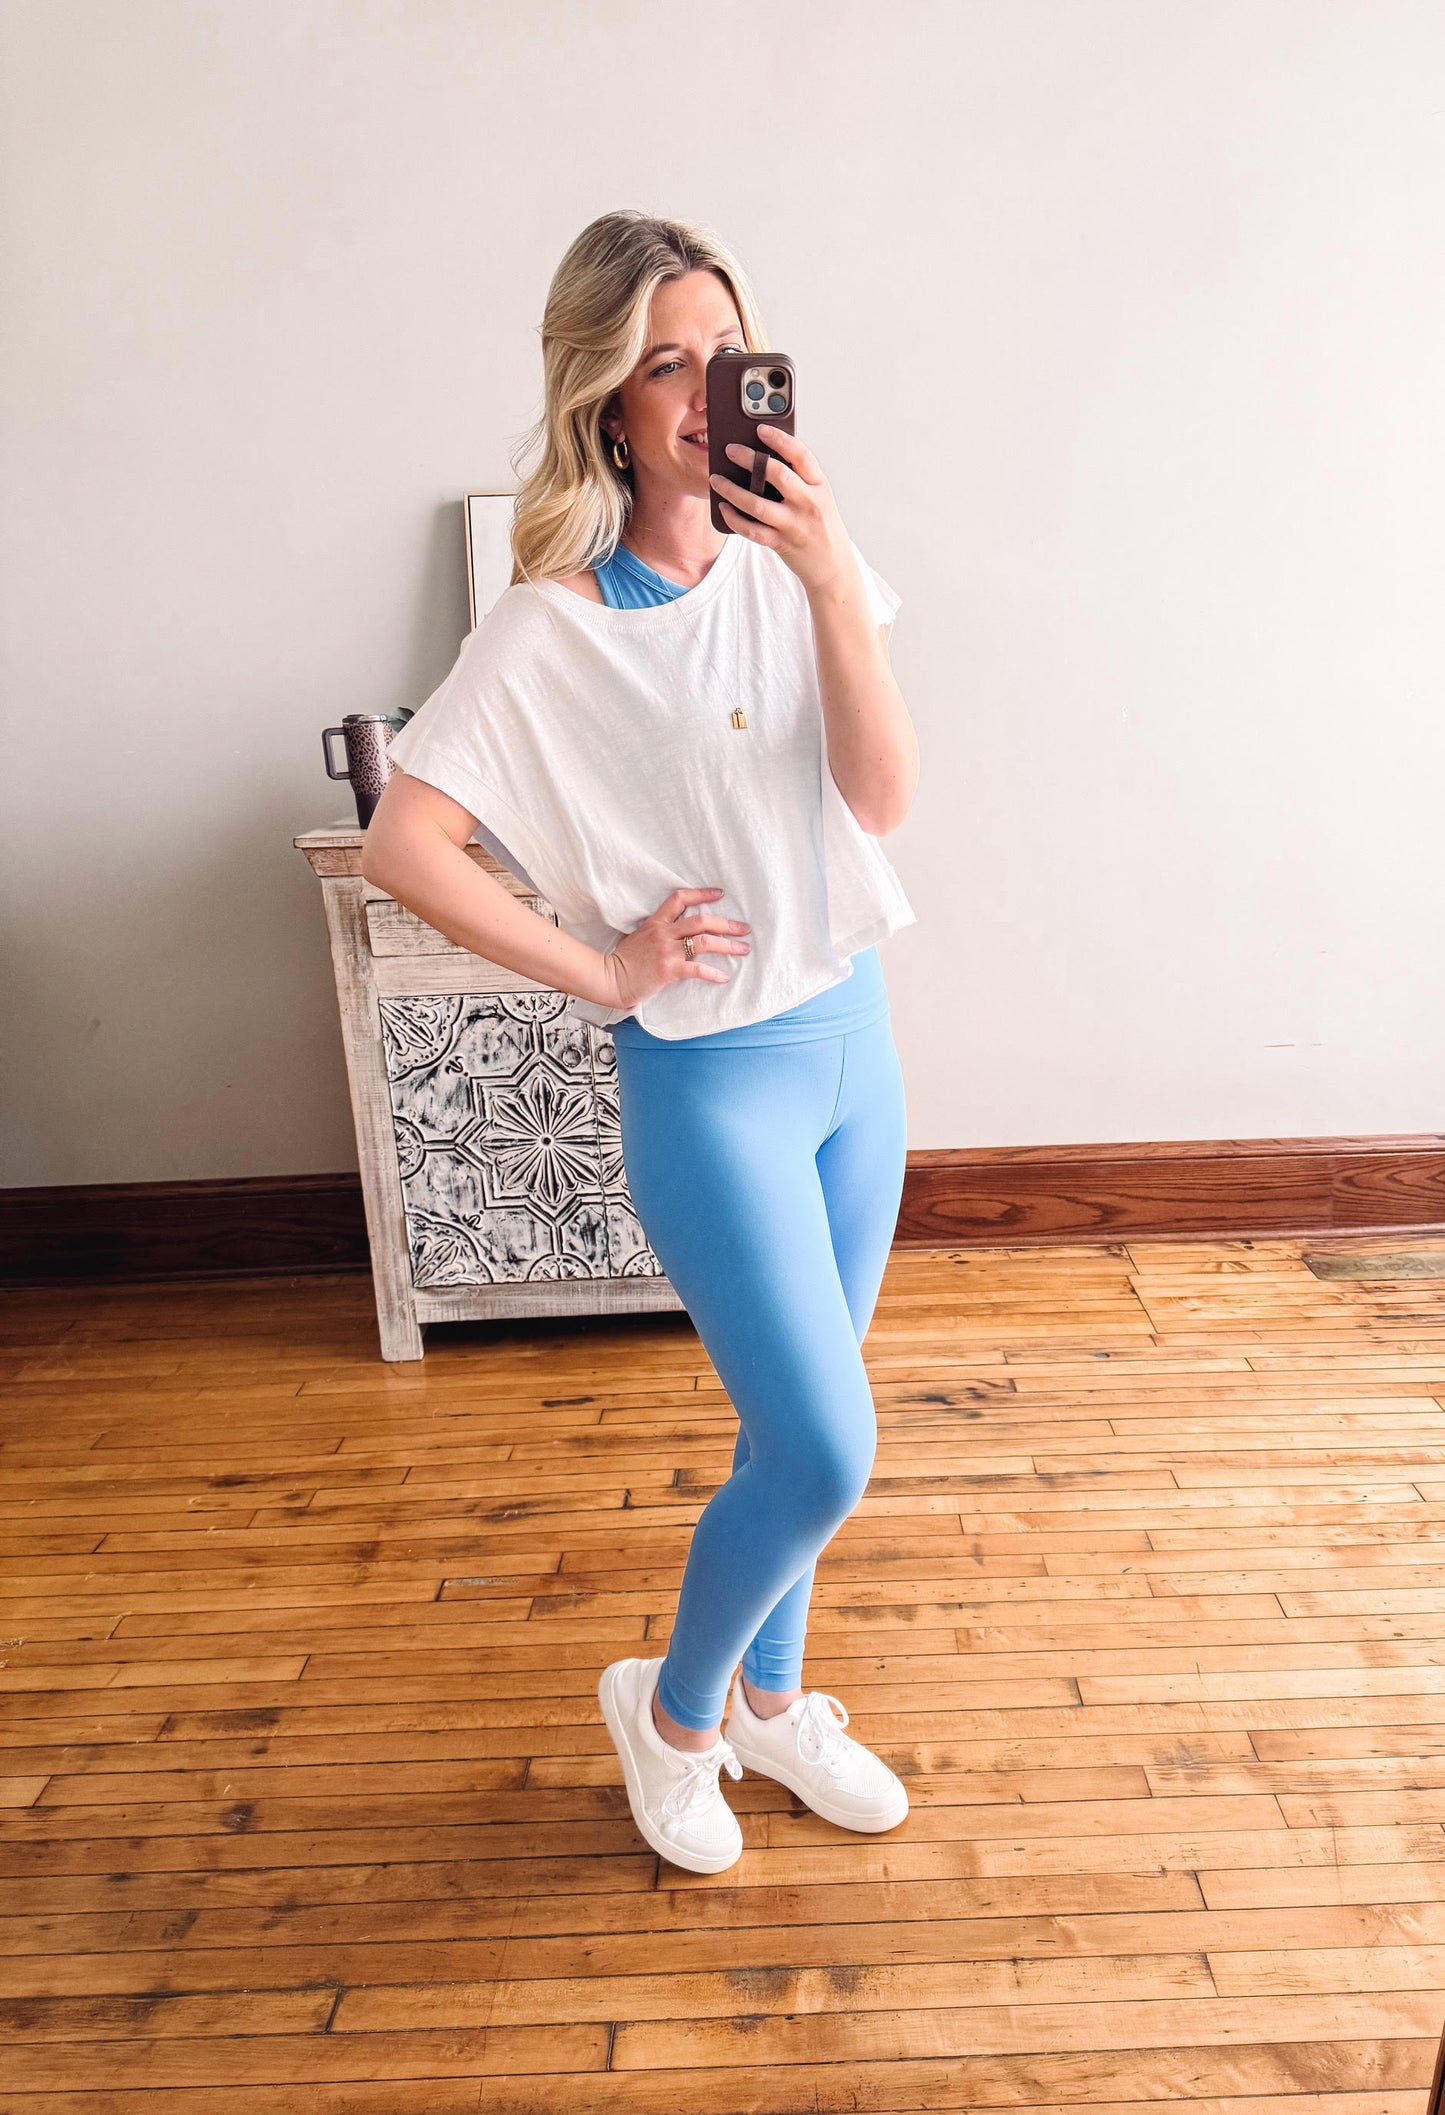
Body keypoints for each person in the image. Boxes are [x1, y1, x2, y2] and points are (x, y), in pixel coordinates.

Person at [363, 209, 920, 1876]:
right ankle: (671, 1713)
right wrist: (600, 971)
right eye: (661, 365)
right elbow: (408, 839)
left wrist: (824, 574)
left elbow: (882, 802)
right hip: (710, 1081)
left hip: (851, 1044)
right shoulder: (549, 626)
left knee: (788, 1442)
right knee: (826, 1445)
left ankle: (770, 1701)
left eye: (721, 355)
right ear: (606, 398)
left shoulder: (802, 563)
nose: (699, 395)